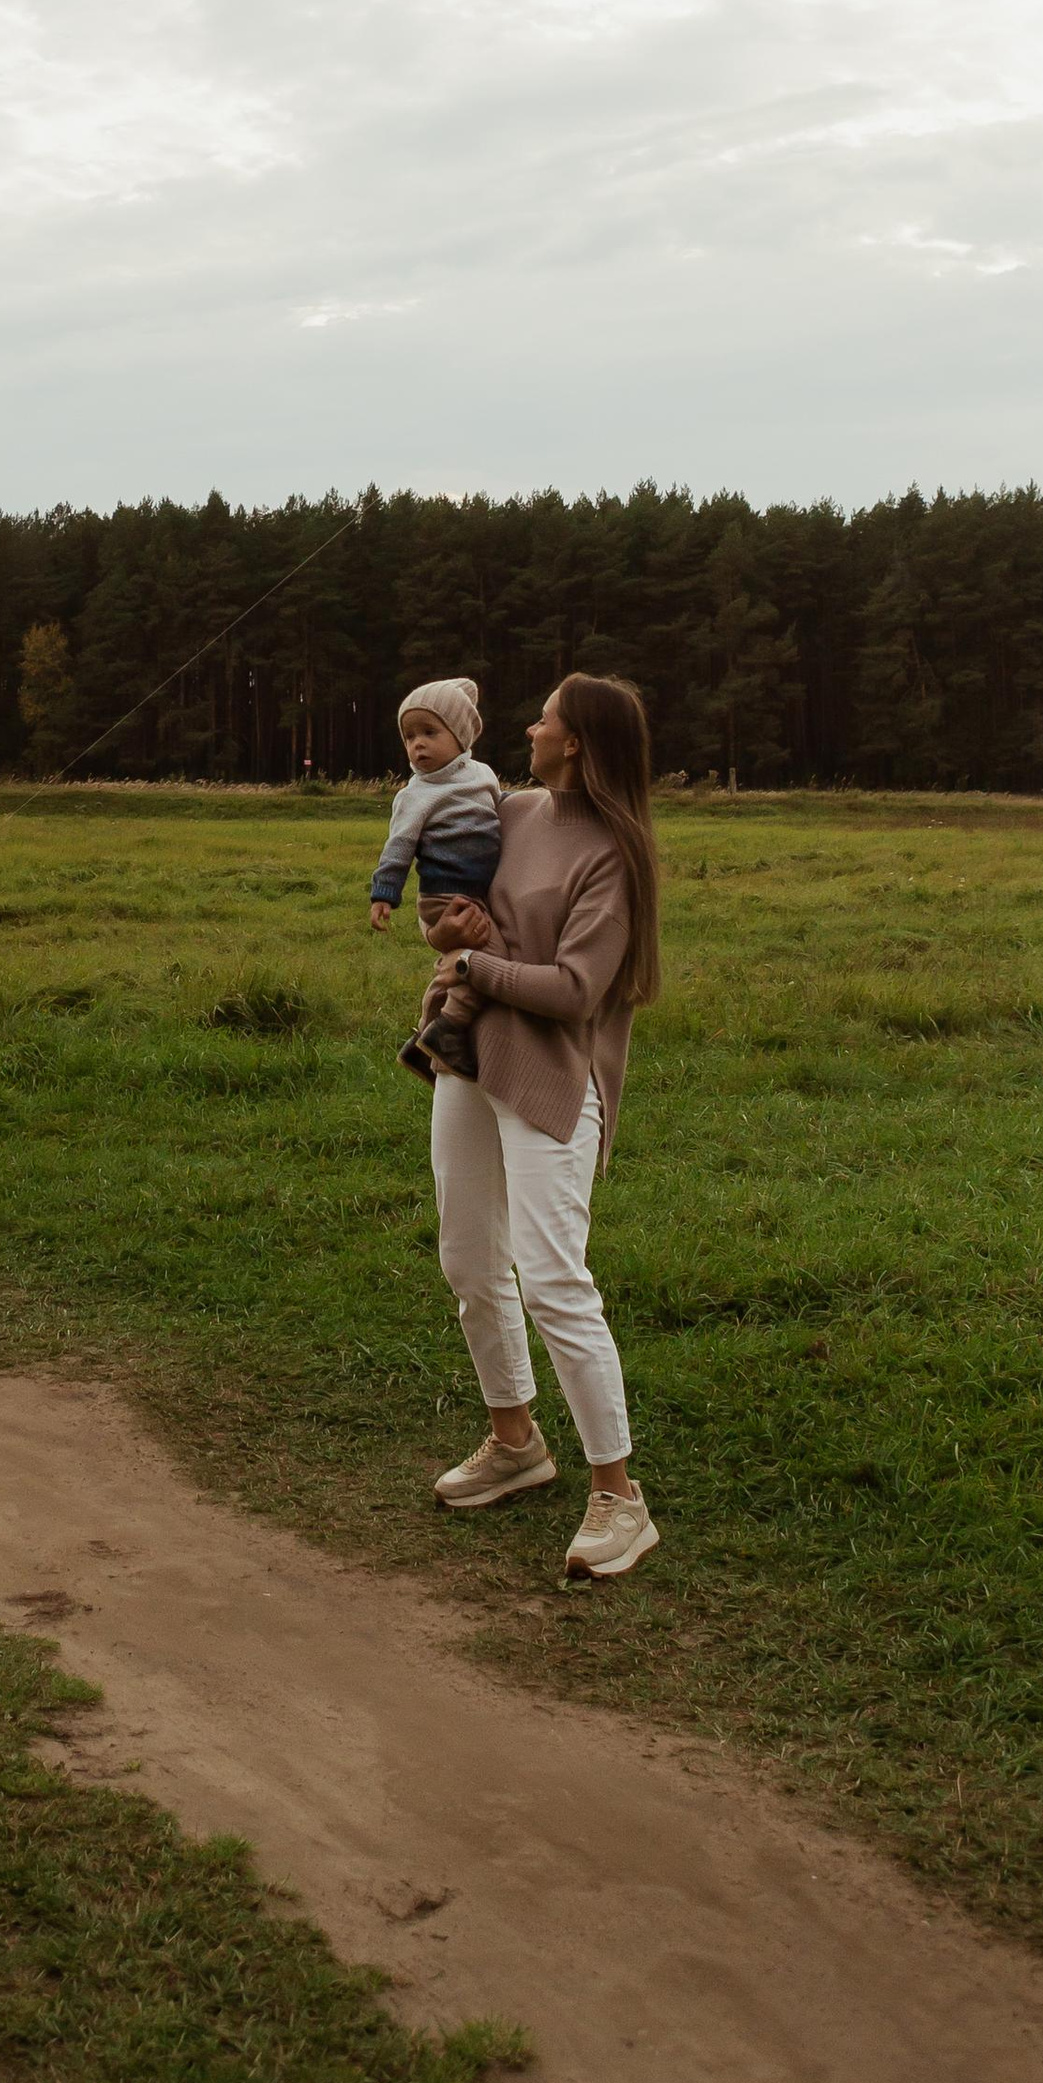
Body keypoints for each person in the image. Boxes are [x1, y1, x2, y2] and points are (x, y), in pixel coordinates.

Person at [413, 672, 663, 1583]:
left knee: (554, 1279)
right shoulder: (509, 812)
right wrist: (451, 930)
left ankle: (620, 1498)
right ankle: (516, 1441)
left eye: (547, 717)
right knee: (468, 1261)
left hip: (554, 1076)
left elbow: (574, 991)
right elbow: (444, 913)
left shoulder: (613, 855)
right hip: (471, 1058)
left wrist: (477, 958)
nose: (530, 724)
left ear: (579, 744)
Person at [368, 680, 506, 1080]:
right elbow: (399, 847)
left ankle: (426, 1036)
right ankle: (448, 1030)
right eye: (409, 737)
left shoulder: (482, 776)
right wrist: (384, 894)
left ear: (461, 736)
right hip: (445, 895)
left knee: (460, 962)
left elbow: (502, 817)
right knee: (485, 961)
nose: (418, 745)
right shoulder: (417, 793)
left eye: (430, 732)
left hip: (478, 893)